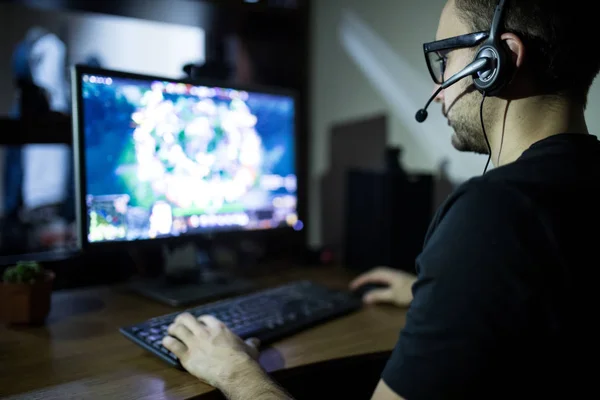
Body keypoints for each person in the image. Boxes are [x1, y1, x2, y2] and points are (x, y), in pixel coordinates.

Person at [161, 0, 600, 398]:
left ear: (497, 60)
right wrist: (449, 292)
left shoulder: (493, 214)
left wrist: (235, 370)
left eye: (445, 58)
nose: (441, 87)